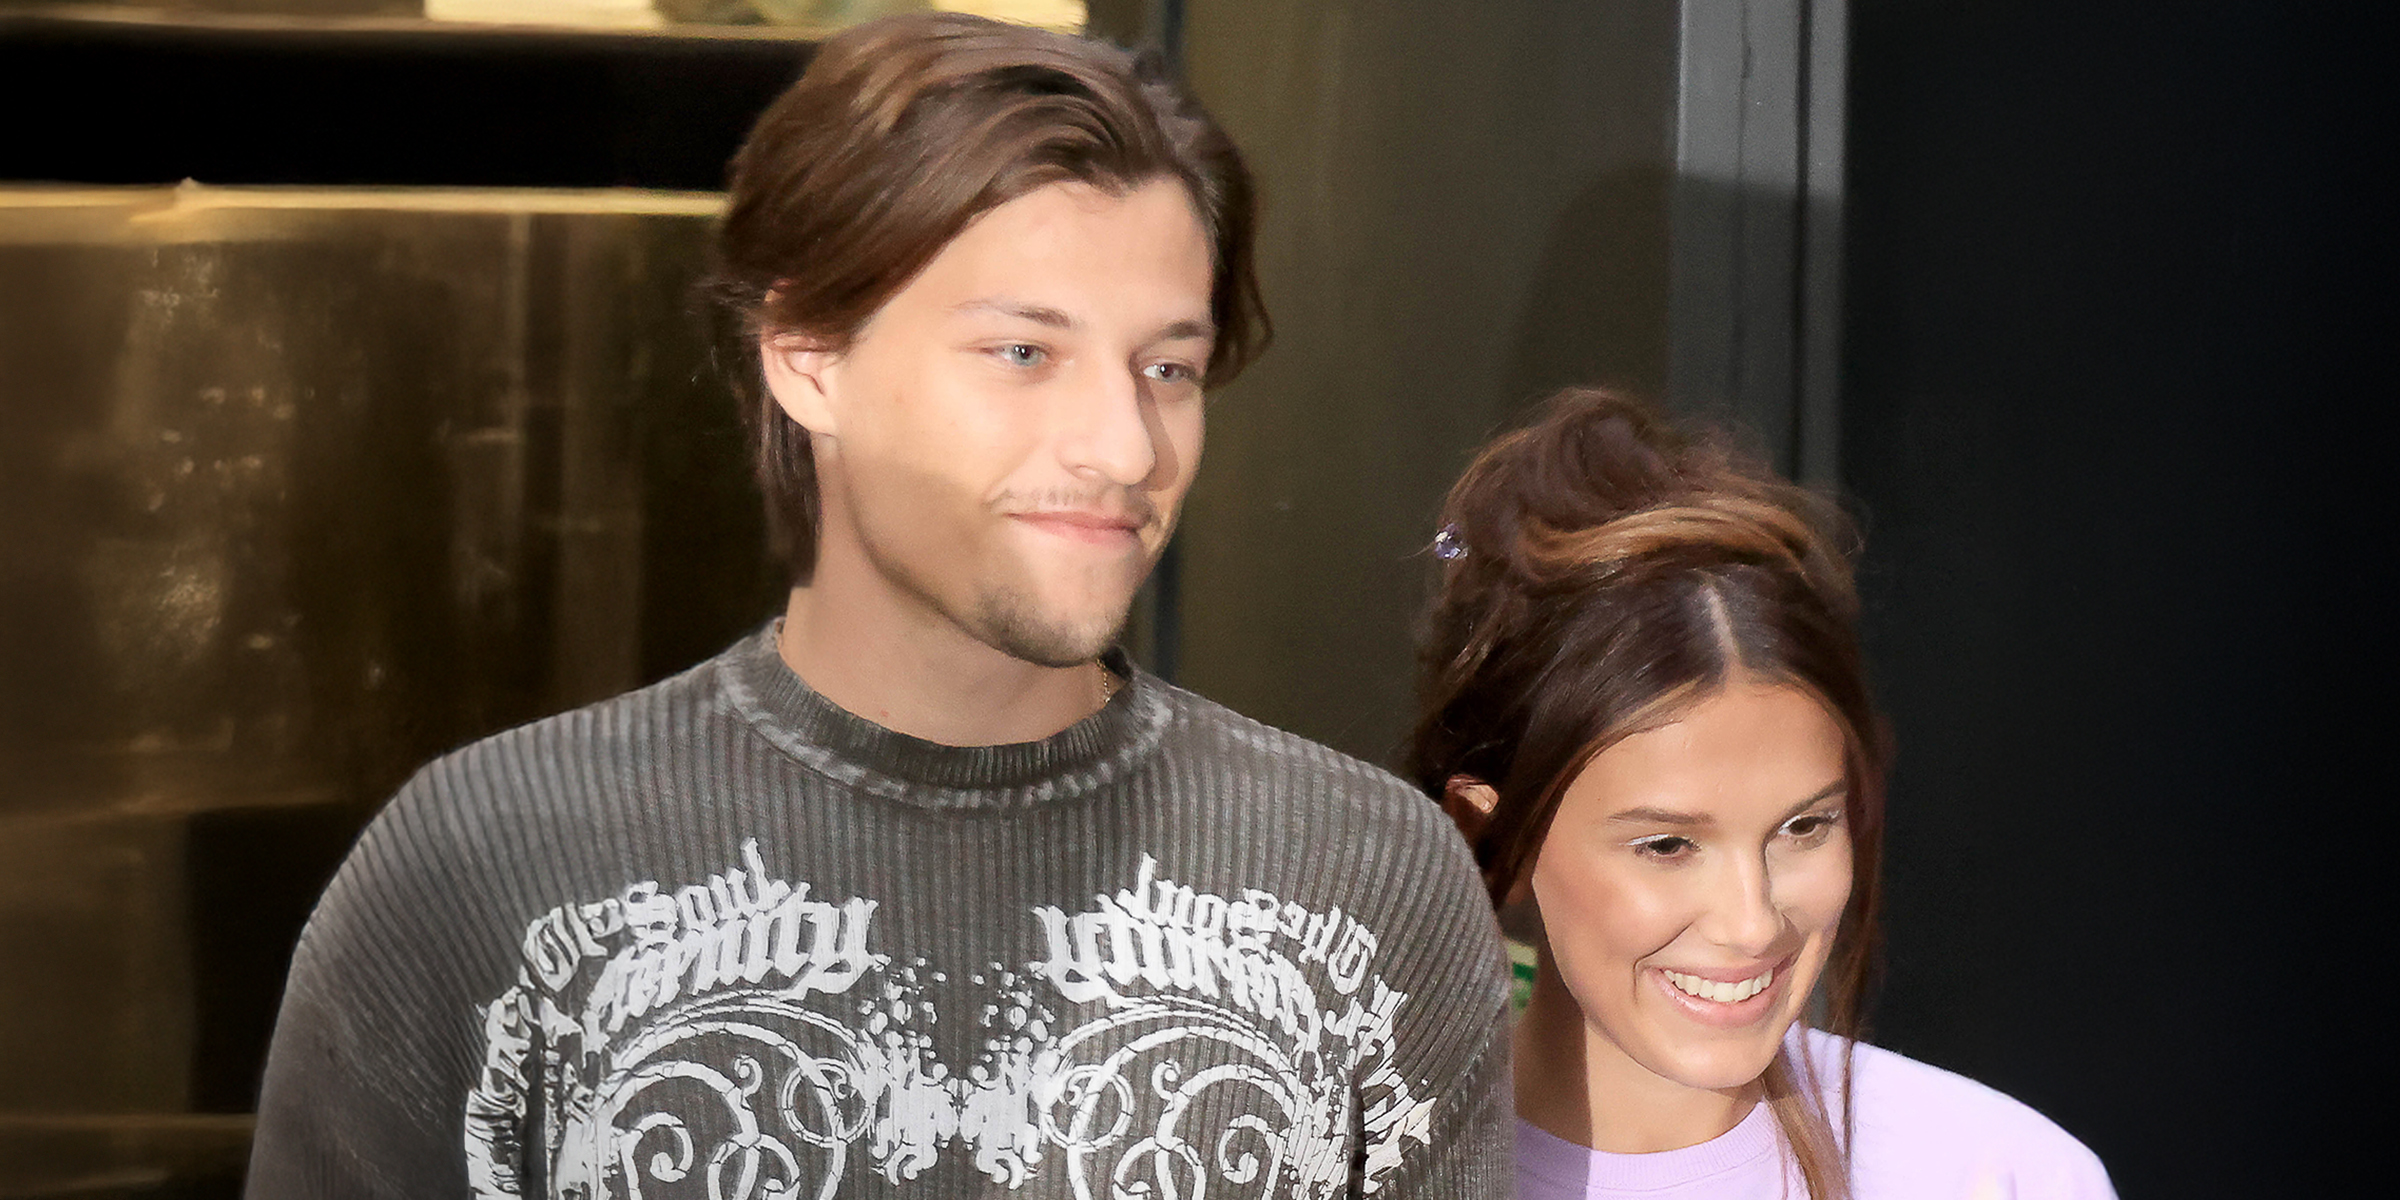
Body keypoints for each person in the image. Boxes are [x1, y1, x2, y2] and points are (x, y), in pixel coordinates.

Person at [246, 14, 1510, 1197]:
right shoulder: (481, 867)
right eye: (1025, 352)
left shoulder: (1367, 887)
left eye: (1165, 368)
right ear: (807, 360)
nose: (1125, 447)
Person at [1406, 389, 2112, 1199]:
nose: (1753, 922)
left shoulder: (1999, 1175)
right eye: (1667, 845)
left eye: (1806, 827)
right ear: (1493, 838)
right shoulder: (1354, 1168)